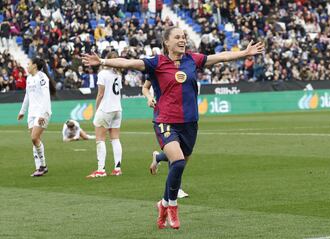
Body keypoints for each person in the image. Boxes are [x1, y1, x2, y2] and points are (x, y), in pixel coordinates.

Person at [82, 26, 264, 229]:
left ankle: (163, 203)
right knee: (177, 162)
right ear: (166, 42)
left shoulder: (192, 60)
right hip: (165, 120)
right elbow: (129, 63)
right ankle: (173, 207)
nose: (182, 40)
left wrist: (244, 53)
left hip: (190, 123)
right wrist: (103, 61)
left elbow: (221, 56)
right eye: (177, 37)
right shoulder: (157, 63)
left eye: (184, 37)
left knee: (180, 165)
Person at [86, 51, 124, 178]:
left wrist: (97, 109)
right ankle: (117, 168)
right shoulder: (118, 75)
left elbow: (100, 94)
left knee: (100, 139)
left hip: (106, 108)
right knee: (115, 139)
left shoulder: (103, 74)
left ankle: (101, 170)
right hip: (117, 109)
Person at [17, 58, 56, 177]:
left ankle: (43, 166)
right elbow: (27, 96)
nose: (27, 66)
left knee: (34, 138)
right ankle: (39, 167)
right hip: (31, 113)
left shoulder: (42, 77)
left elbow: (45, 97)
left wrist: (43, 114)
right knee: (34, 140)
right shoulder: (29, 78)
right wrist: (22, 111)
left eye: (28, 64)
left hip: (42, 112)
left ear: (34, 66)